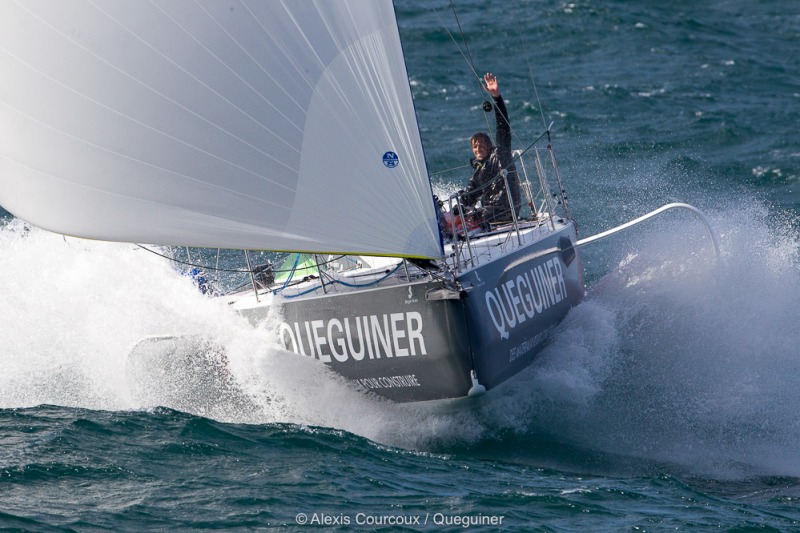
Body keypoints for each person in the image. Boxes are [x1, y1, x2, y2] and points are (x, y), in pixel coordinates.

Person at [460, 73, 521, 229]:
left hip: (506, 210)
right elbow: (469, 195)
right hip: (488, 214)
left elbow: (503, 127)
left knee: (474, 218)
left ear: (489, 146)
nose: (478, 148)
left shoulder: (501, 155)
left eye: (481, 145)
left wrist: (496, 97)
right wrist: (458, 207)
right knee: (459, 218)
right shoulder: (478, 172)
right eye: (475, 146)